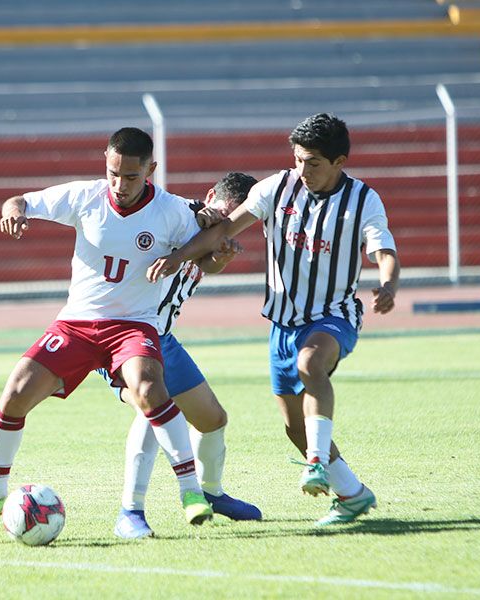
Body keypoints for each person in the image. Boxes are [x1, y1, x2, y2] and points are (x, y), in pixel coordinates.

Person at [147, 113, 400, 527]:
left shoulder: (363, 200)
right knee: (294, 428)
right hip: (282, 325)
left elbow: (383, 249)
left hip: (333, 315)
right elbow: (225, 227)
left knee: (311, 365)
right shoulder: (276, 188)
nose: (304, 171)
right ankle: (352, 494)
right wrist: (177, 258)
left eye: (314, 163)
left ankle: (316, 463)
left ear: (339, 162)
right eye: (299, 159)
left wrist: (388, 284)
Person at [0, 127, 214, 544]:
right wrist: (14, 209)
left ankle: (190, 491)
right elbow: (21, 200)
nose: (119, 184)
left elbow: (213, 238)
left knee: (151, 389)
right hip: (76, 323)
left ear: (151, 170)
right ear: (106, 161)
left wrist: (178, 256)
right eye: (113, 172)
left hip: (133, 324)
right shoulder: (85, 196)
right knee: (13, 395)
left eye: (131, 176)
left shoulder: (173, 211)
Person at [100, 172, 263, 539]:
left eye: (236, 224)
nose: (227, 227)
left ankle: (212, 492)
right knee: (154, 408)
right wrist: (204, 226)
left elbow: (206, 262)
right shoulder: (175, 217)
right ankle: (130, 511)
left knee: (212, 420)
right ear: (209, 197)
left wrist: (220, 256)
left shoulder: (215, 237)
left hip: (163, 339)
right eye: (225, 216)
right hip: (122, 334)